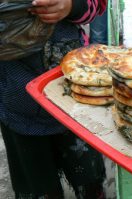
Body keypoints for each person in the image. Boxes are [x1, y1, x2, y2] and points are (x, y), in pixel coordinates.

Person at [0, 0, 108, 198]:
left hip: (75, 98)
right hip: (16, 103)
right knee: (38, 185)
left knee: (88, 178)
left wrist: (71, 6)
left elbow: (97, 6)